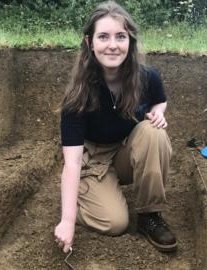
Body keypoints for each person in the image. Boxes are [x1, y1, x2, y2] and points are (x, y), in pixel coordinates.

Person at [54, 0, 177, 254]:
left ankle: (149, 216)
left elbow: (160, 101)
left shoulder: (147, 77)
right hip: (94, 160)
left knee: (154, 132)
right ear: (90, 43)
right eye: (103, 36)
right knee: (115, 223)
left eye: (121, 36)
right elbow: (73, 162)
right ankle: (81, 200)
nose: (113, 45)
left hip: (125, 151)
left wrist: (157, 113)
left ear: (130, 41)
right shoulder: (77, 96)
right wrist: (67, 221)